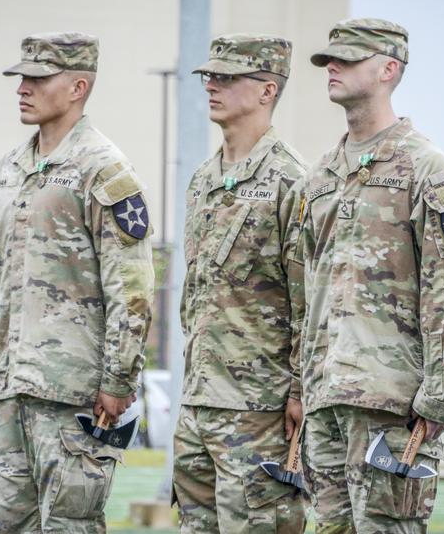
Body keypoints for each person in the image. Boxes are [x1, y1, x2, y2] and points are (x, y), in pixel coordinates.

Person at [297, 18, 444, 533]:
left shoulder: (426, 169)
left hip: (391, 398)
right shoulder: (321, 174)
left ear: (388, 70)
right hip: (326, 395)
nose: (332, 66)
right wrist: (304, 388)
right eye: (330, 59)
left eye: (348, 59)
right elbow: (310, 286)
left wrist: (441, 391)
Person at [0, 32, 154, 533]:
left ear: (78, 86)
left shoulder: (103, 168)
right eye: (21, 77)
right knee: (10, 525)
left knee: (70, 526)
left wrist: (118, 380)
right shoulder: (11, 169)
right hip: (11, 387)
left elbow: (132, 289)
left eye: (39, 78)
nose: (23, 87)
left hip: (73, 393)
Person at [172, 34, 307, 533]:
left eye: (228, 78)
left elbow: (307, 300)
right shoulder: (204, 179)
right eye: (211, 76)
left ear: (267, 89)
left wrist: (298, 391)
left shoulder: (291, 179)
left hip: (258, 407)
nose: (213, 86)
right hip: (199, 400)